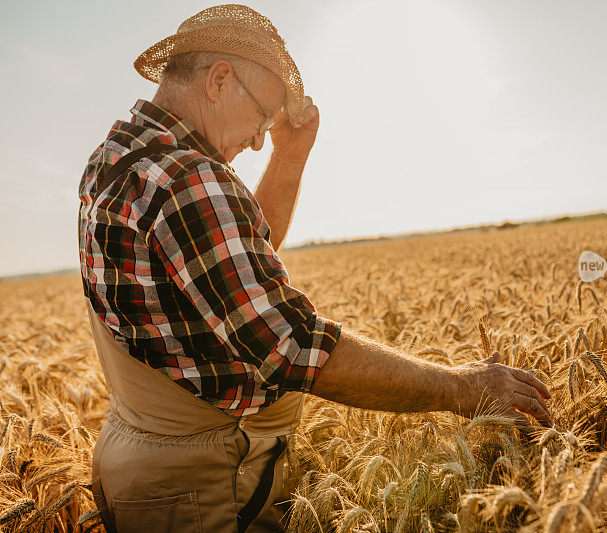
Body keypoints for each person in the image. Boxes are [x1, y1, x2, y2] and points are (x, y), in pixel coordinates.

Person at [77, 4, 552, 531]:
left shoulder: (116, 156)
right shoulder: (189, 181)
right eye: (262, 117)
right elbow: (296, 349)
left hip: (142, 472)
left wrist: (290, 157)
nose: (260, 139)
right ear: (218, 80)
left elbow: (228, 268)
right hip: (206, 485)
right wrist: (463, 389)